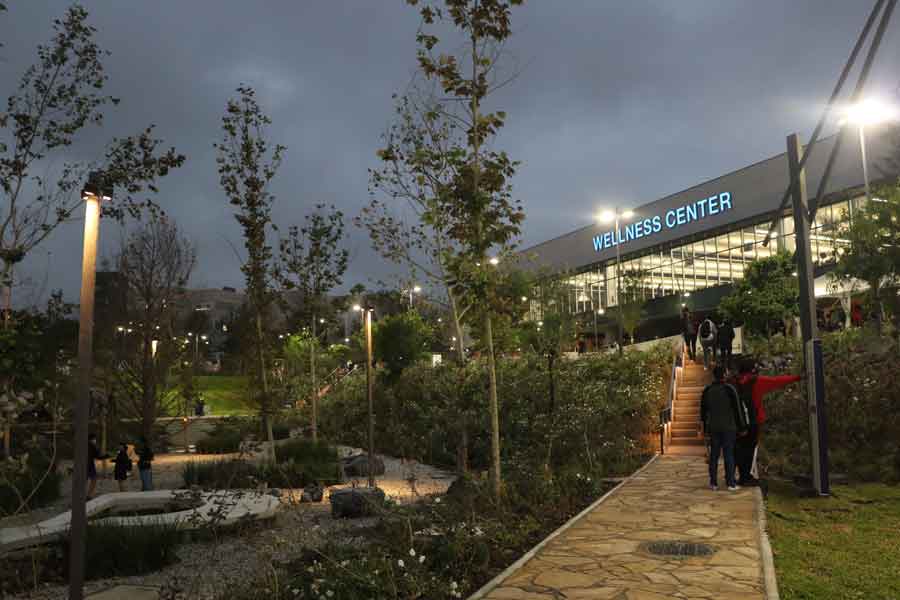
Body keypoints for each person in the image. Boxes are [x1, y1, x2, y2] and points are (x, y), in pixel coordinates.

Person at [733, 359, 802, 486]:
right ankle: (746, 477)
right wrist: (797, 377)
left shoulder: (733, 383)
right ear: (752, 370)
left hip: (737, 422)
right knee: (750, 449)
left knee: (740, 448)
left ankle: (741, 475)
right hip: (754, 421)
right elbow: (777, 382)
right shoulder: (757, 381)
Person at [700, 365, 749, 491]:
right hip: (729, 427)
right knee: (728, 455)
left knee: (714, 456)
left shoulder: (707, 390)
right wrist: (742, 427)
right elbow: (738, 409)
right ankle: (730, 483)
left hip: (713, 427)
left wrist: (704, 429)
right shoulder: (729, 389)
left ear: (714, 375)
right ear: (724, 374)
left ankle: (713, 483)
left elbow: (703, 412)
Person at [87, 433, 108, 500]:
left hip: (83, 464)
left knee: (85, 480)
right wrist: (106, 456)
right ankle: (89, 495)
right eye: (94, 439)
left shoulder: (83, 445)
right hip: (89, 465)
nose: (95, 440)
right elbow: (98, 457)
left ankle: (83, 495)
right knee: (94, 479)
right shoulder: (92, 446)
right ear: (92, 439)